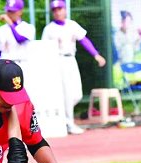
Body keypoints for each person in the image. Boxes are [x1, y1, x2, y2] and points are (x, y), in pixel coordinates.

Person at [41, 0, 106, 135]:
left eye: (60, 9)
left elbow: (84, 40)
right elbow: (44, 49)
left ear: (65, 9)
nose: (58, 12)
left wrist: (96, 55)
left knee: (77, 94)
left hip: (70, 59)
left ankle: (65, 120)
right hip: (57, 61)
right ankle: (69, 124)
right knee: (67, 94)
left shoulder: (72, 25)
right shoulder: (49, 29)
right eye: (55, 10)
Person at [0, 0, 35, 65]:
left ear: (20, 11)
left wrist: (10, 24)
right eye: (8, 11)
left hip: (23, 64)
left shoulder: (28, 27)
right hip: (5, 66)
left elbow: (20, 39)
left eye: (12, 11)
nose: (9, 14)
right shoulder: (0, 30)